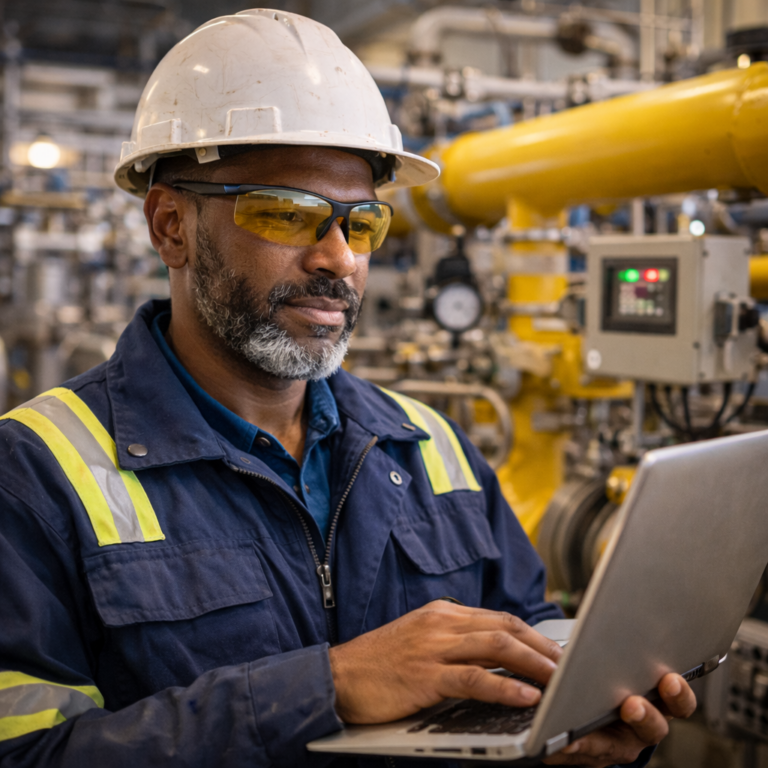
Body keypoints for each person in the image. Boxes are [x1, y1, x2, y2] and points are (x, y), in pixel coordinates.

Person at [0, 9, 695, 768]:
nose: (338, 259)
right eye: (286, 214)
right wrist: (325, 688)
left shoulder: (432, 449)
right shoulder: (34, 475)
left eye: (362, 224)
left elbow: (533, 650)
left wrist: (580, 736)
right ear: (171, 226)